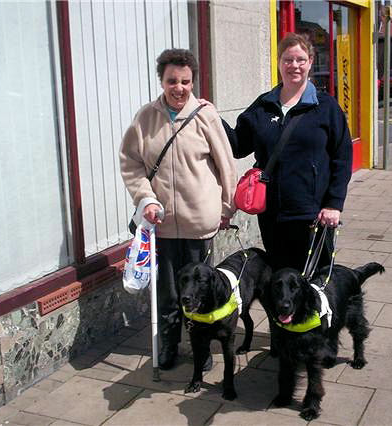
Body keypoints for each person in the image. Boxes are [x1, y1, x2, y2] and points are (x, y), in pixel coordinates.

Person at [120, 49, 237, 370]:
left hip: (200, 224)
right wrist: (145, 199)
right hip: (164, 225)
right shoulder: (146, 118)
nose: (179, 87)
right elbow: (131, 164)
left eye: (185, 81)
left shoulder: (205, 115)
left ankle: (201, 349)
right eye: (172, 80)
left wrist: (227, 208)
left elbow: (226, 165)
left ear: (192, 81)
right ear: (162, 80)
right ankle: (170, 345)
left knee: (200, 292)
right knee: (168, 293)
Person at [223, 33, 352, 272]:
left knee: (314, 282)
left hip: (313, 214)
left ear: (311, 62)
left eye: (301, 60)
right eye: (288, 60)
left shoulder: (325, 107)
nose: (294, 66)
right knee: (281, 281)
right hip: (272, 214)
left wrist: (334, 203)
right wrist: (211, 117)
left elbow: (342, 157)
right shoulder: (263, 105)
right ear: (279, 62)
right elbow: (238, 146)